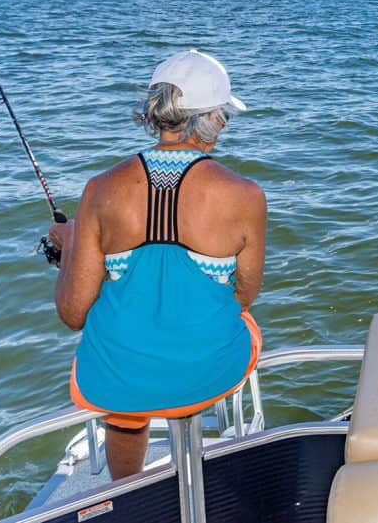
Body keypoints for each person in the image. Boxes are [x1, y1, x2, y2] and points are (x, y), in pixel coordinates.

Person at [49, 49, 266, 478]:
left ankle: (129, 490)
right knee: (235, 320)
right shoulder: (246, 195)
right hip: (210, 373)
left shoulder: (99, 189)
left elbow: (73, 314)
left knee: (124, 389)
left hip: (119, 380)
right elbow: (244, 295)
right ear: (212, 119)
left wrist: (71, 242)